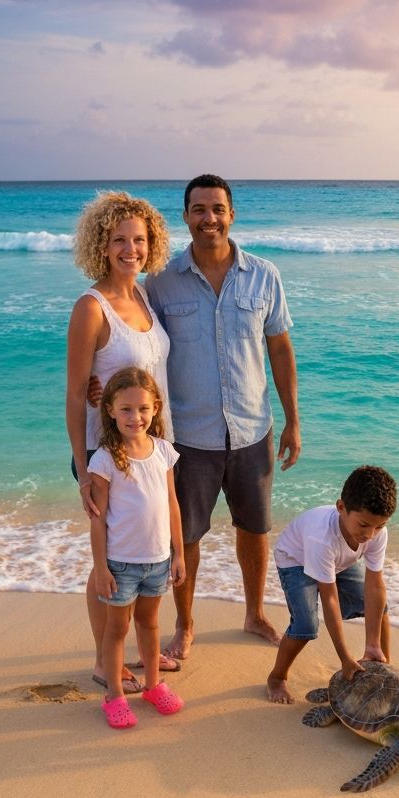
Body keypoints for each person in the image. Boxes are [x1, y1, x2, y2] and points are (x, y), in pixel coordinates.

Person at [144, 173, 301, 659]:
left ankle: (254, 613)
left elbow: (279, 348)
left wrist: (294, 419)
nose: (208, 219)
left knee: (254, 531)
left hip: (253, 429)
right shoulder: (161, 283)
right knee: (185, 537)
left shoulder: (264, 275)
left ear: (231, 214)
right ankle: (185, 625)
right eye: (198, 209)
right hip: (188, 437)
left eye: (217, 209)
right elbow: (143, 351)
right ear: (186, 217)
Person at [66, 191, 179, 692]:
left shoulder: (143, 297)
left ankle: (137, 653)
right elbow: (74, 395)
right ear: (102, 245)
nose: (130, 248)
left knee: (135, 547)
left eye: (139, 239)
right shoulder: (92, 307)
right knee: (109, 555)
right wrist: (81, 465)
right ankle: (101, 661)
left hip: (149, 446)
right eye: (119, 240)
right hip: (103, 453)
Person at [88, 367, 185, 728]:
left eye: (143, 408)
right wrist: (101, 568)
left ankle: (153, 686)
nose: (135, 417)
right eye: (126, 409)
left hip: (158, 560)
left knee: (150, 623)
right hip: (121, 563)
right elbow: (97, 518)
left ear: (156, 408)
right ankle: (113, 694)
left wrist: (178, 553)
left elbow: (172, 504)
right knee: (117, 630)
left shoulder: (163, 451)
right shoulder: (105, 459)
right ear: (110, 410)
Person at [266, 466, 397, 704]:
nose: (370, 534)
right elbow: (330, 598)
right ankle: (276, 677)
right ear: (341, 508)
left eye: (378, 526)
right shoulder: (321, 537)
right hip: (296, 559)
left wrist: (372, 643)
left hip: (338, 562)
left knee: (380, 607)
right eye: (364, 525)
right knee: (306, 624)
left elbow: (375, 586)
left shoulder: (377, 533)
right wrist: (345, 658)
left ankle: (382, 665)